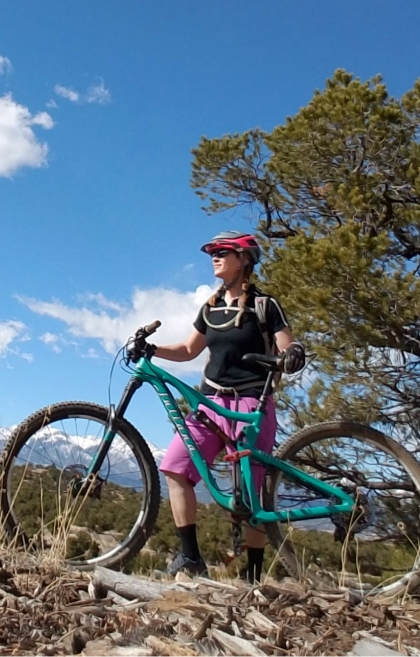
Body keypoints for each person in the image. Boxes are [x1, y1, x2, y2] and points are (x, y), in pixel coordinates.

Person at [153, 230, 305, 583]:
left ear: (245, 259)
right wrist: (153, 349)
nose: (214, 257)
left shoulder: (264, 305)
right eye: (212, 252)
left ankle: (252, 579)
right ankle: (190, 559)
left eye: (223, 251)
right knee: (175, 467)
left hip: (252, 403)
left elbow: (288, 346)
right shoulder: (210, 308)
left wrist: (292, 355)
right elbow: (189, 350)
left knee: (251, 495)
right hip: (211, 403)